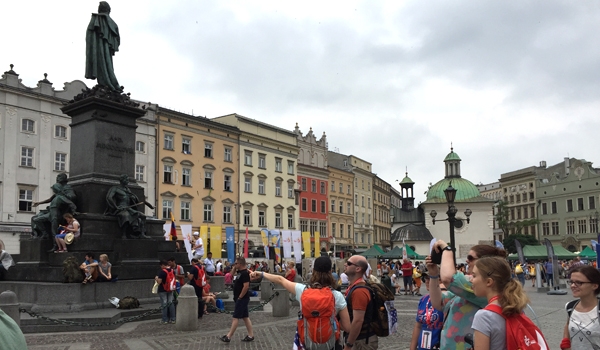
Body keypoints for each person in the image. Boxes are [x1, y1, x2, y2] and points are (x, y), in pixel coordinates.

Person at [252, 256, 351, 349]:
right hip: (331, 345)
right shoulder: (337, 296)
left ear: (313, 271)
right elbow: (347, 327)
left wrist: (261, 273)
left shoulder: (303, 291)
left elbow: (280, 280)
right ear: (330, 272)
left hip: (308, 343)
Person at [429, 240, 507, 349]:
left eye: (470, 258)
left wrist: (447, 249)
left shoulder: (485, 286)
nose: (467, 260)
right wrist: (433, 275)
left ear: (485, 262)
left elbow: (449, 278)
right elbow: (439, 303)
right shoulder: (467, 285)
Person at [470, 256, 537, 350]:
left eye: (474, 276)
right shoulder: (513, 307)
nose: (471, 280)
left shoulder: (484, 316)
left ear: (489, 281)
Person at [31, 173, 77, 251]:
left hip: (55, 215)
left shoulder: (61, 196)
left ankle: (55, 246)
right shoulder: (57, 196)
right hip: (50, 213)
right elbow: (49, 199)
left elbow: (71, 202)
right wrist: (39, 203)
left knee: (54, 231)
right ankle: (45, 233)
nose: (53, 190)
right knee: (36, 219)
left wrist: (74, 211)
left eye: (54, 189)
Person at [85, 1, 122, 92]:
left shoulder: (96, 19)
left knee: (102, 63)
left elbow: (89, 36)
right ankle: (110, 82)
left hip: (97, 49)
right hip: (105, 51)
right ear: (108, 10)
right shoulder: (113, 24)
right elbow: (117, 40)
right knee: (107, 64)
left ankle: (106, 82)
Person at [562, 265, 600, 350]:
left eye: (579, 283)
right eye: (571, 282)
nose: (572, 286)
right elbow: (567, 325)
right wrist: (565, 344)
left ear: (594, 286)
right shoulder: (570, 306)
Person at [344, 255, 378, 349]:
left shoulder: (359, 291)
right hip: (358, 339)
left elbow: (358, 321)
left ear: (358, 269)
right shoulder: (354, 287)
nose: (345, 264)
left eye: (349, 263)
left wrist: (348, 344)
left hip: (361, 341)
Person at [219, 257, 254, 343]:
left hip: (242, 299)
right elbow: (230, 275)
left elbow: (246, 286)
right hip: (239, 298)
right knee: (245, 317)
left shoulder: (245, 273)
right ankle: (251, 335)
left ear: (240, 264)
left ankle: (228, 336)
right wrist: (234, 267)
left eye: (236, 263)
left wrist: (240, 297)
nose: (234, 265)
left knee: (235, 318)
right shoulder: (239, 272)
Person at [105, 175, 151, 239]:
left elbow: (135, 200)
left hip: (129, 208)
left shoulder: (127, 190)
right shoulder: (115, 188)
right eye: (126, 179)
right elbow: (109, 198)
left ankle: (142, 234)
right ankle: (124, 234)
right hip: (120, 208)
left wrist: (133, 198)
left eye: (128, 179)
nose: (128, 181)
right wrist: (116, 207)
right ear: (121, 180)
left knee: (142, 216)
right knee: (125, 216)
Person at [410, 272, 446, 350]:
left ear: (440, 281)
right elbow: (418, 326)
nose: (426, 281)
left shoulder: (446, 300)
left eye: (430, 278)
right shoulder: (423, 299)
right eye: (426, 278)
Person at [155, 260, 176, 324]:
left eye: (161, 266)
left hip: (163, 290)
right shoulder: (172, 271)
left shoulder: (162, 272)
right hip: (171, 289)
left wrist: (156, 278)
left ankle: (165, 319)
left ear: (163, 265)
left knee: (164, 304)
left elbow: (159, 282)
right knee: (171, 303)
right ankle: (173, 319)